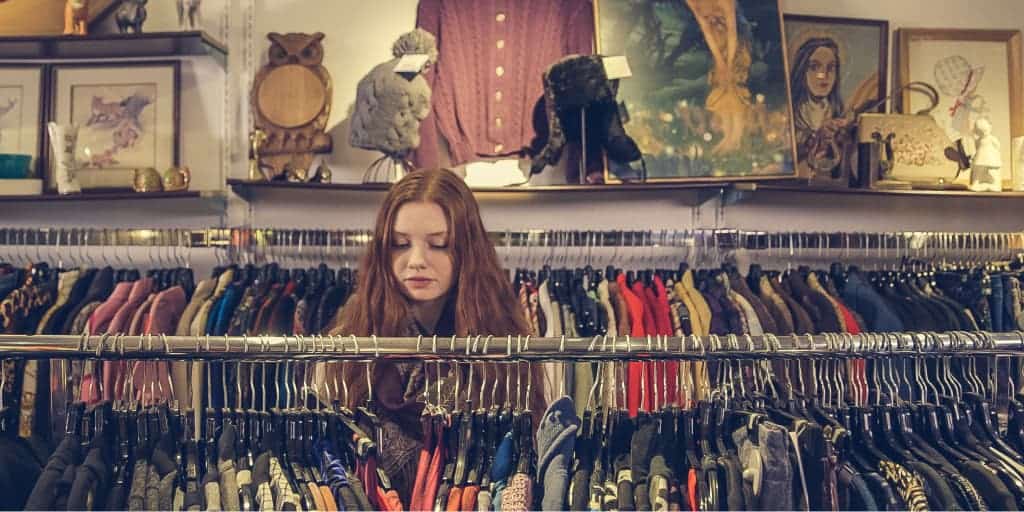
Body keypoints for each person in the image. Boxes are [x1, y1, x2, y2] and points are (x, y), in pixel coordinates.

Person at [328, 168, 538, 505]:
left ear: (466, 250)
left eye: (439, 245)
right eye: (400, 245)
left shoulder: (503, 351)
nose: (416, 261)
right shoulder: (351, 346)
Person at [790, 37, 851, 178]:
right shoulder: (790, 114)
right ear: (802, 71)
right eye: (814, 67)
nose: (824, 75)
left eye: (830, 68)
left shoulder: (837, 113)